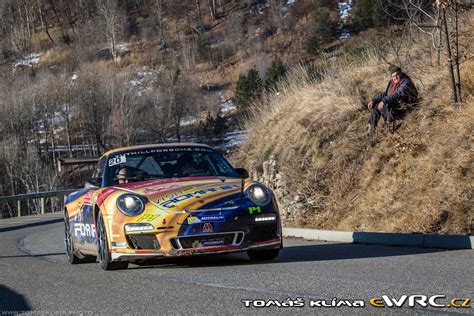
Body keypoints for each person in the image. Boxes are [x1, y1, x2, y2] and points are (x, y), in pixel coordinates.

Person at [367, 65, 418, 134]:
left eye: (397, 75)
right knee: (376, 106)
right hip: (397, 105)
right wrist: (374, 100)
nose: (395, 77)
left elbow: (398, 94)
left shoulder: (406, 82)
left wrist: (384, 101)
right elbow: (386, 94)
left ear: (401, 73)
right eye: (393, 76)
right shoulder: (392, 83)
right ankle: (371, 130)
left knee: (389, 105)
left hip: (407, 106)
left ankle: (390, 128)